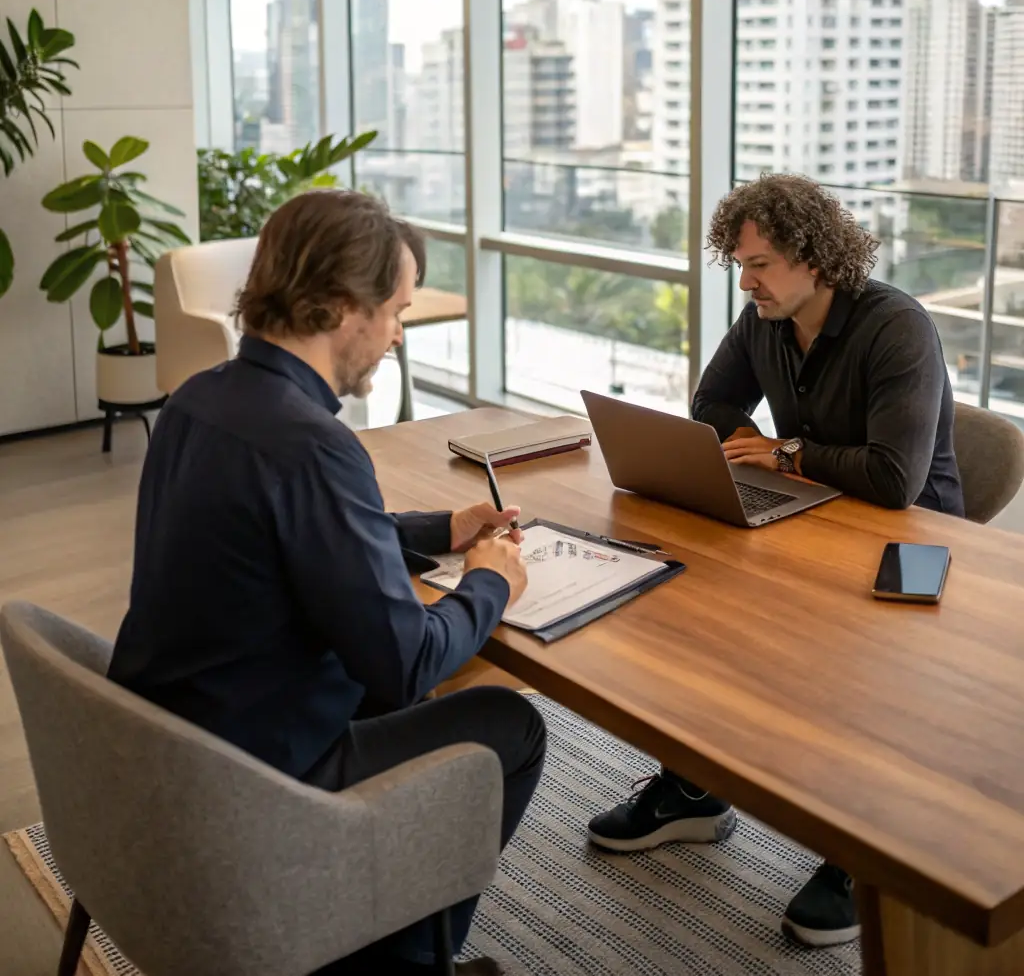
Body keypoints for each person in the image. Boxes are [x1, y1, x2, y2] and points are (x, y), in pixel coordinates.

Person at [108, 189, 545, 976]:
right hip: (258, 781)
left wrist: (441, 530)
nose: (399, 335)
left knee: (398, 689)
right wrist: (490, 580)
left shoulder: (200, 399)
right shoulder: (313, 444)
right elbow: (406, 658)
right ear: (345, 306)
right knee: (510, 725)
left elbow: (299, 535)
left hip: (173, 748)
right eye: (396, 311)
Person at [587, 173, 963, 949]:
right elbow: (709, 406)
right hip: (817, 515)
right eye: (740, 264)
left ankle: (863, 851)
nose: (745, 281)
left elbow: (896, 478)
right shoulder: (766, 317)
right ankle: (694, 788)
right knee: (695, 596)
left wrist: (785, 451)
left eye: (759, 264)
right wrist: (768, 452)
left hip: (922, 543)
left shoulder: (898, 327)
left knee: (858, 661)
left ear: (815, 259)